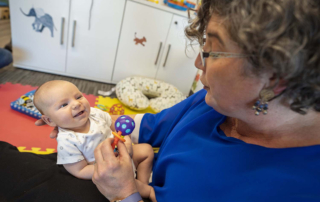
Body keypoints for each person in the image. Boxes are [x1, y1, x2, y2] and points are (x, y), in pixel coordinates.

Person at [0, 0, 320, 201]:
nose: (198, 62)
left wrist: (124, 194)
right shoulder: (210, 104)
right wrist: (86, 122)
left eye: (211, 49)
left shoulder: (296, 188)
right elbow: (149, 125)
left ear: (276, 75)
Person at [33, 80, 155, 201]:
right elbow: (79, 170)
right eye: (64, 105)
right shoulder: (67, 141)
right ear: (49, 120)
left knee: (147, 150)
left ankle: (143, 181)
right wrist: (107, 169)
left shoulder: (95, 113)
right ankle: (147, 191)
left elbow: (116, 129)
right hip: (108, 171)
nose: (76, 104)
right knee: (130, 184)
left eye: (78, 96)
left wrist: (127, 143)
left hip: (125, 155)